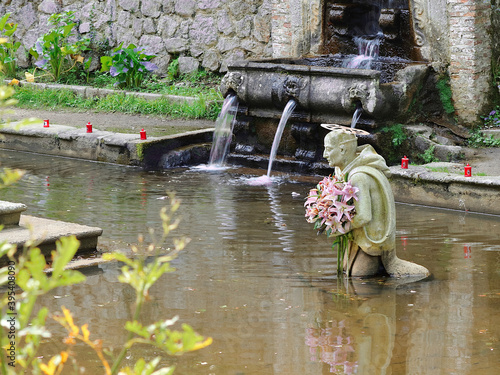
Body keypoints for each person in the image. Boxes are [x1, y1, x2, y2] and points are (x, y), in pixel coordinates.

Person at [323, 129, 429, 277]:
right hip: (357, 238)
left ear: (342, 149)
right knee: (344, 272)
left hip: (370, 243)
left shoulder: (358, 176)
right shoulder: (343, 170)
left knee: (358, 278)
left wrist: (339, 228)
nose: (324, 155)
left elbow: (364, 216)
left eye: (328, 149)